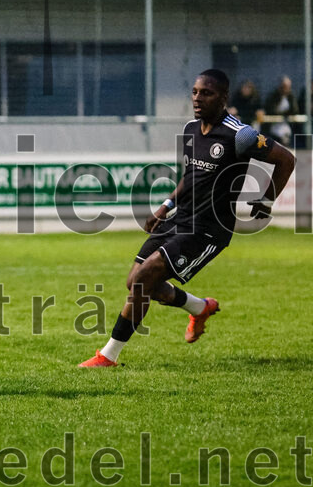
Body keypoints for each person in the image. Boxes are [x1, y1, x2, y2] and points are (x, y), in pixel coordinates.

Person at [80, 69, 295, 368]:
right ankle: (199, 307)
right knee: (135, 283)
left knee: (143, 280)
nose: (197, 98)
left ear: (223, 98)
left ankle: (108, 356)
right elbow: (191, 176)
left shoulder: (240, 135)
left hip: (208, 229)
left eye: (206, 93)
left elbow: (286, 159)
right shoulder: (192, 128)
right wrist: (165, 206)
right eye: (194, 91)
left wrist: (267, 199)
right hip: (180, 218)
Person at [263, 75, 298, 146]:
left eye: (288, 87)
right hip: (273, 123)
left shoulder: (291, 96)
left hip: (286, 123)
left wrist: (286, 114)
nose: (286, 89)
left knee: (286, 132)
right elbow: (271, 110)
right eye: (284, 86)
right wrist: (283, 113)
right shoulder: (274, 95)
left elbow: (295, 110)